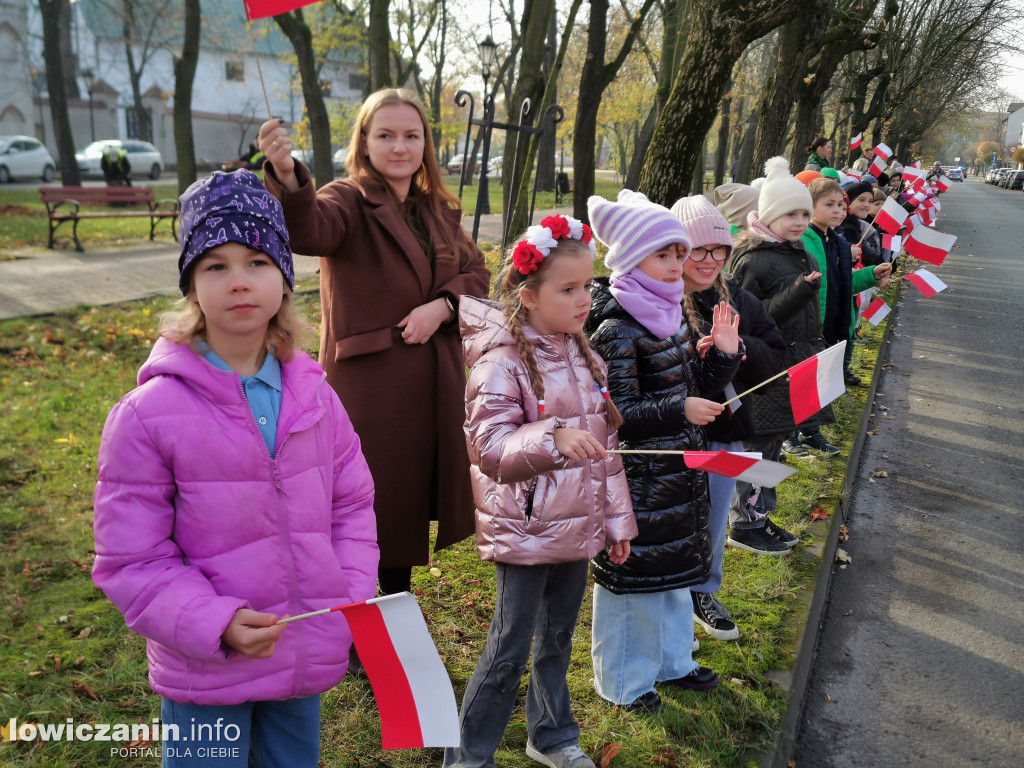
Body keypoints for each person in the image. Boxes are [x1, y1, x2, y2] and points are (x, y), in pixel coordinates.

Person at [92, 169, 379, 768]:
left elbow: (351, 505)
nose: (239, 281)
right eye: (216, 265)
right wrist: (215, 623)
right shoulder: (147, 416)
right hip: (206, 668)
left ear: (285, 278)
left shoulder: (317, 397)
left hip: (301, 656)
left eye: (257, 261)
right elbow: (131, 559)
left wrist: (347, 596)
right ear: (192, 286)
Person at [257, 89, 490, 597]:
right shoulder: (348, 200)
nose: (399, 146)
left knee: (405, 503)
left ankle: (391, 607)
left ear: (425, 143)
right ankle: (375, 612)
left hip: (432, 387)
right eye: (385, 135)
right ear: (364, 142)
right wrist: (288, 176)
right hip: (374, 392)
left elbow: (476, 270)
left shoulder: (435, 209)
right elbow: (310, 230)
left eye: (411, 135)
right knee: (372, 505)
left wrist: (442, 307)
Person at [446, 216, 637, 768]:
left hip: (577, 525)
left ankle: (551, 735)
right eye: (568, 289)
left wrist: (617, 522)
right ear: (528, 296)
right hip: (526, 530)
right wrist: (552, 438)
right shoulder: (500, 364)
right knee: (508, 648)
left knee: (557, 637)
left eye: (588, 286)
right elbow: (489, 449)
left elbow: (607, 450)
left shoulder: (584, 356)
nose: (584, 300)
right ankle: (469, 756)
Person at [585, 190, 743, 715]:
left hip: (677, 470)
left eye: (680, 253)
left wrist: (721, 357)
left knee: (677, 572)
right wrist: (680, 409)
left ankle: (674, 661)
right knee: (634, 583)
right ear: (633, 259)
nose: (678, 265)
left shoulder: (669, 311)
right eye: (665, 255)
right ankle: (623, 681)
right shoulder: (617, 328)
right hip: (640, 478)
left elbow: (692, 386)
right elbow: (619, 411)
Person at [672, 194, 787, 641]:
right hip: (669, 437)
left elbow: (776, 360)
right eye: (697, 250)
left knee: (715, 517)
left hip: (725, 433)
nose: (709, 261)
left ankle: (703, 590)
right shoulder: (660, 299)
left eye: (719, 250)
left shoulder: (740, 299)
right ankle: (668, 601)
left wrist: (737, 349)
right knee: (672, 522)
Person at [728, 157, 828, 554]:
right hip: (765, 371)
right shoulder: (753, 259)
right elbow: (748, 318)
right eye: (790, 214)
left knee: (775, 442)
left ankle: (761, 515)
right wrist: (799, 292)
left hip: (794, 364)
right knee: (758, 444)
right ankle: (744, 522)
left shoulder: (797, 252)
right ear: (769, 215)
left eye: (804, 213)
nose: (800, 221)